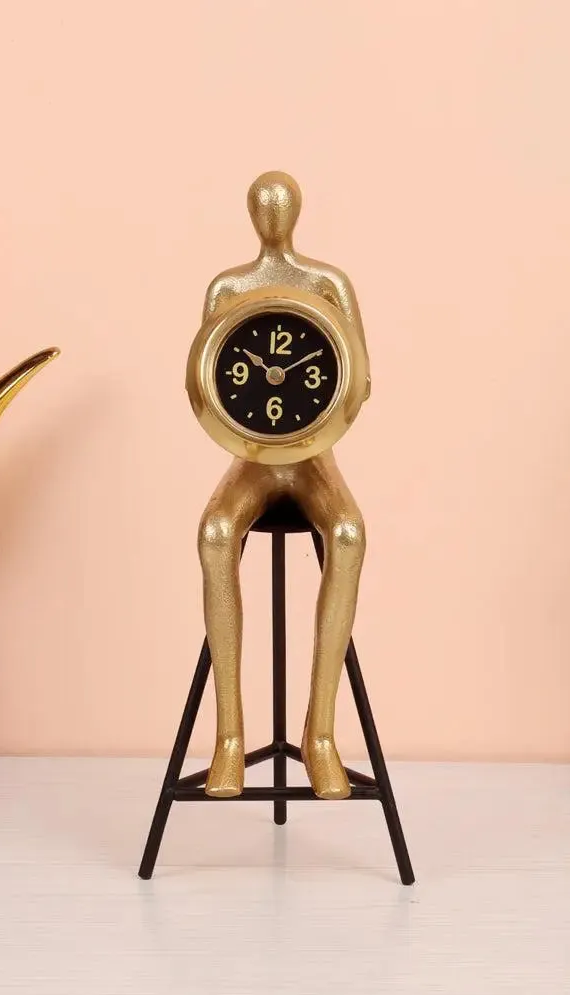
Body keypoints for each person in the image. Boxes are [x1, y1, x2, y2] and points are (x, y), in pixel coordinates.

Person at [196, 171, 371, 799]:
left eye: (280, 206)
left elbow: (362, 375)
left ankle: (320, 735)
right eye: (262, 208)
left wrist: (317, 418)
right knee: (216, 533)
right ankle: (229, 740)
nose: (271, 216)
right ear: (253, 215)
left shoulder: (328, 283)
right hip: (250, 459)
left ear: (294, 211)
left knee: (347, 533)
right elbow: (212, 375)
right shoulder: (227, 287)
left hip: (314, 458)